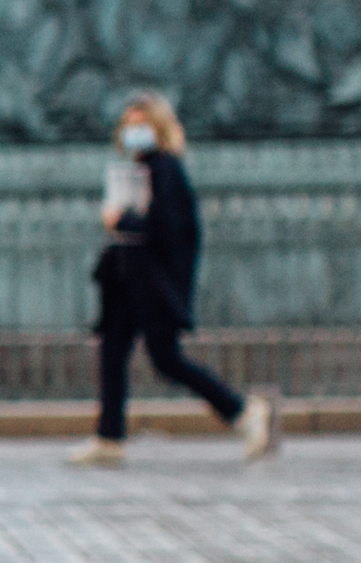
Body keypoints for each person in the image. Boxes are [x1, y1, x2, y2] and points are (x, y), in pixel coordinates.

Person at [67, 90, 272, 467]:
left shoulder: (167, 170)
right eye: (128, 125)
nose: (132, 132)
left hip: (153, 285)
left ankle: (242, 411)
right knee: (112, 354)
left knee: (166, 359)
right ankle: (109, 437)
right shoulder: (143, 169)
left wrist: (119, 220)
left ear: (158, 128)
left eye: (140, 125)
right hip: (128, 282)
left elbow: (165, 229)